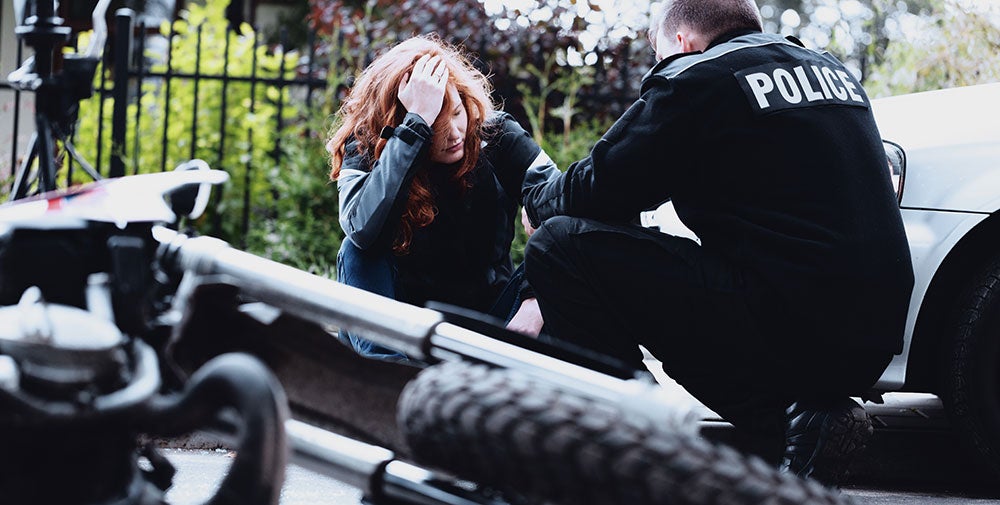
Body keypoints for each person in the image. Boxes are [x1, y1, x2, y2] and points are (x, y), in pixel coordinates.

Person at [520, 0, 914, 486]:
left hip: (790, 326)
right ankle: (795, 423)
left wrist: (537, 200)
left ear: (681, 42)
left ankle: (636, 435)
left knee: (558, 244)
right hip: (870, 339)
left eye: (658, 53)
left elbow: (596, 188)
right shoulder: (832, 71)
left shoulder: (698, 78)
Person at [328, 35, 556, 361]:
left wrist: (534, 301)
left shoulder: (497, 135)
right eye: (436, 120)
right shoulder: (367, 146)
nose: (453, 132)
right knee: (356, 249)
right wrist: (414, 128)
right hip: (403, 333)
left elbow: (565, 209)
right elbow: (362, 230)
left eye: (457, 111)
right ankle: (388, 385)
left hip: (491, 326)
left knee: (564, 241)